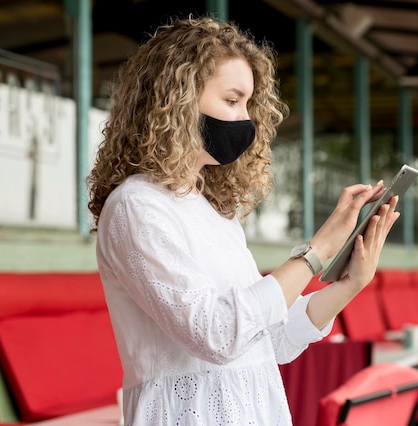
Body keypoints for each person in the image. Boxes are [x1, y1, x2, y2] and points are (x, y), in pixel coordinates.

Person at [87, 15, 400, 425]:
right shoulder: (136, 206)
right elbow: (217, 335)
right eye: (232, 100)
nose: (245, 119)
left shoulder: (215, 212)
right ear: (177, 99)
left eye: (249, 104)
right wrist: (314, 253)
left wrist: (351, 283)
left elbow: (269, 339)